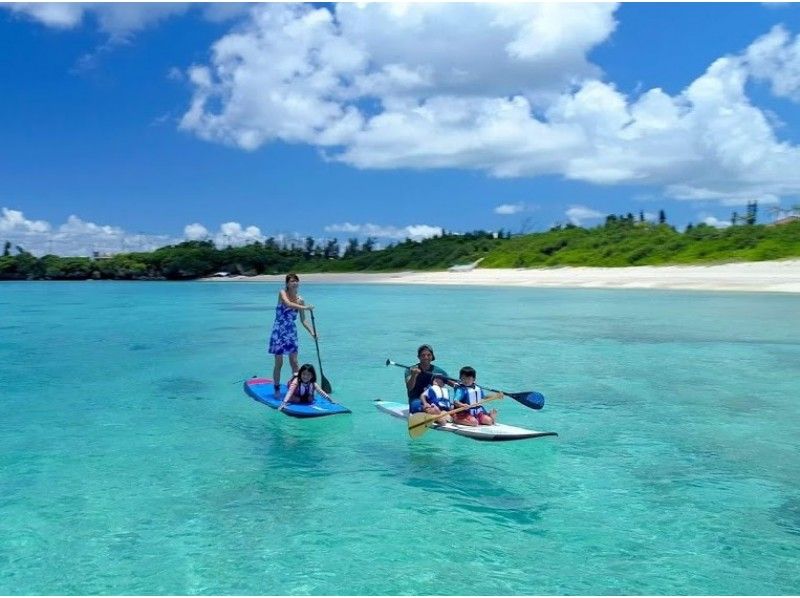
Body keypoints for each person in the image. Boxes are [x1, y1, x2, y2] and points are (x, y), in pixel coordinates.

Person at [268, 273, 315, 396]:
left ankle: (298, 388)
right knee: (279, 363)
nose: (294, 283)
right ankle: (277, 388)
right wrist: (305, 307)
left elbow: (303, 320)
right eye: (291, 281)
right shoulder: (282, 293)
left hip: (291, 333)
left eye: (296, 281)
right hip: (279, 331)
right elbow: (288, 304)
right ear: (287, 283)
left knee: (294, 362)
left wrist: (312, 332)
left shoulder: (301, 300)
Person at [406, 344, 448, 413]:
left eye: (429, 355)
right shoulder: (410, 370)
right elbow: (409, 387)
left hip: (433, 400)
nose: (426, 357)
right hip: (416, 400)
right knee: (430, 409)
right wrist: (414, 375)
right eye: (423, 355)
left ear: (432, 356)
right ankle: (437, 414)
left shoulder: (438, 371)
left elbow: (452, 383)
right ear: (418, 357)